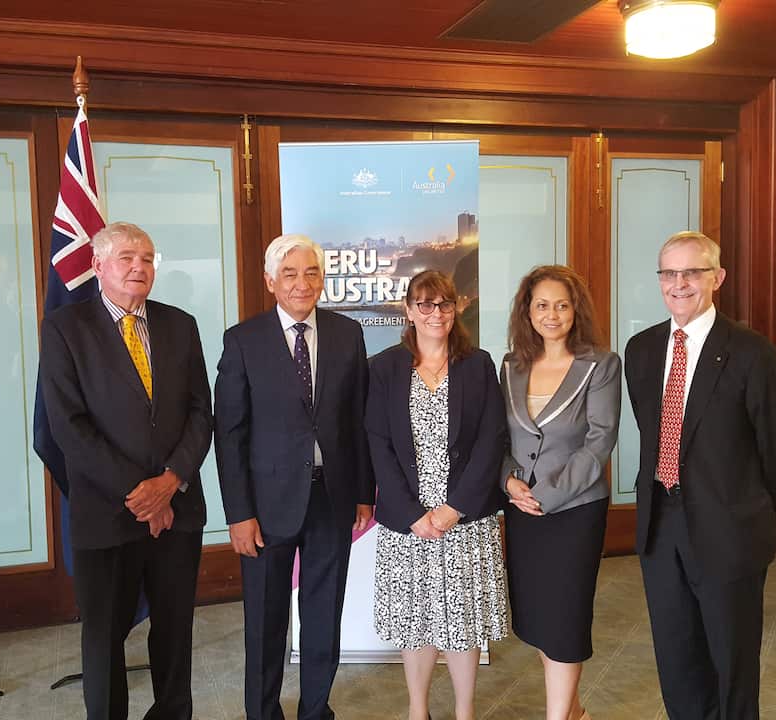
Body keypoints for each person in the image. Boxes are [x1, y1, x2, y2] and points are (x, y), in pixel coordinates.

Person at [624, 231, 776, 720]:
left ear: (717, 278)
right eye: (669, 273)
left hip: (730, 528)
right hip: (660, 526)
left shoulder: (752, 353)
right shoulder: (641, 350)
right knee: (676, 656)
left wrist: (745, 505)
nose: (679, 283)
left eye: (692, 272)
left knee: (731, 658)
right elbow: (651, 430)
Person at [39, 221, 213, 720]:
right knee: (104, 637)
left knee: (175, 630)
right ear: (98, 266)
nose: (139, 266)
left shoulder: (181, 325)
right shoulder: (65, 329)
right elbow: (68, 427)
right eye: (126, 258)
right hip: (107, 513)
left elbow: (202, 412)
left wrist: (170, 483)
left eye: (147, 258)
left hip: (178, 508)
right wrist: (139, 493)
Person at [214, 234, 374, 720]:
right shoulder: (243, 340)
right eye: (289, 274)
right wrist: (239, 514)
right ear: (270, 282)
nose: (301, 283)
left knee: (324, 615)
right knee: (265, 621)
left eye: (310, 273)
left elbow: (358, 421)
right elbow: (230, 434)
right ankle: (262, 713)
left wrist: (365, 494)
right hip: (265, 507)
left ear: (322, 279)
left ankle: (315, 710)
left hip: (333, 498)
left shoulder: (348, 334)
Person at [367, 269, 508, 720]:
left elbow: (492, 440)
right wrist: (414, 515)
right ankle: (418, 710)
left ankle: (465, 711)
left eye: (444, 303)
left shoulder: (478, 364)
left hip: (465, 518)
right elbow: (378, 443)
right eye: (424, 304)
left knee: (462, 624)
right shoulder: (385, 367)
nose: (435, 313)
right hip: (409, 522)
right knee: (417, 621)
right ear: (408, 310)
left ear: (457, 308)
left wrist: (454, 508)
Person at [499, 265, 620, 720]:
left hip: (573, 512)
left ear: (576, 311)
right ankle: (573, 711)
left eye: (562, 305)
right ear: (527, 311)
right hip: (521, 510)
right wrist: (508, 481)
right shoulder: (512, 364)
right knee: (537, 615)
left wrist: (545, 496)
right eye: (542, 305)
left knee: (566, 616)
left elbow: (599, 443)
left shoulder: (601, 364)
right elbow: (502, 438)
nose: (552, 314)